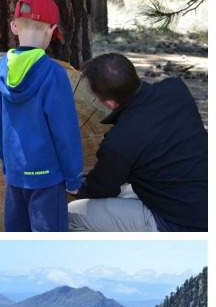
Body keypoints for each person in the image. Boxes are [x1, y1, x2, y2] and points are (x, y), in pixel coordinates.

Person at [68, 53, 207, 231]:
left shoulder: (120, 139)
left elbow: (102, 189)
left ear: (110, 102)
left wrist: (77, 188)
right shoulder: (176, 89)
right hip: (201, 198)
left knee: (70, 215)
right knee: (124, 194)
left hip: (177, 223)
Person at [0, 0, 83, 231]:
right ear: (51, 29)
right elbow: (65, 131)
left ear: (13, 26)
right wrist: (73, 178)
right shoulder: (54, 73)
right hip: (47, 178)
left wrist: (6, 163)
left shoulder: (0, 69)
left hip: (15, 174)